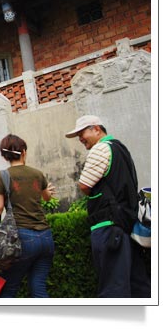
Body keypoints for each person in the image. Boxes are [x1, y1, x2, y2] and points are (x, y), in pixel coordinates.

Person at [65, 115, 150, 297]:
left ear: (97, 129)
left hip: (108, 227)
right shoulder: (121, 149)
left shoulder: (100, 148)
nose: (80, 138)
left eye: (82, 132)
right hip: (125, 225)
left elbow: (84, 185)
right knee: (138, 286)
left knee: (113, 290)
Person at [0, 134, 56, 298]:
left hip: (21, 238)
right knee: (38, 287)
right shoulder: (37, 174)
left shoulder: (2, 176)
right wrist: (48, 191)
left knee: (9, 288)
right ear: (24, 152)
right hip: (46, 238)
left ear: (4, 156)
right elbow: (47, 197)